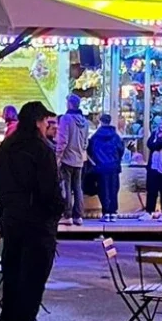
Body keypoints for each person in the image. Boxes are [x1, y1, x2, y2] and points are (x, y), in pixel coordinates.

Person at [0, 101, 64, 321]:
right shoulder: (41, 150)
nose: (47, 127)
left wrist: (10, 205)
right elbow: (49, 190)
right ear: (37, 122)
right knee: (31, 281)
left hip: (11, 222)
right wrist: (56, 210)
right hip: (37, 225)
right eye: (46, 122)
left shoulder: (5, 147)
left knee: (12, 277)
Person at [54, 94, 91, 226]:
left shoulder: (66, 119)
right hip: (80, 159)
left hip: (67, 159)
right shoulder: (85, 122)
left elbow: (62, 140)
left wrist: (58, 156)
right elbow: (86, 143)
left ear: (69, 104)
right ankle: (78, 216)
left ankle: (68, 214)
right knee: (78, 187)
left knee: (67, 187)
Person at [87, 113, 125, 221]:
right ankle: (113, 212)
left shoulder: (95, 137)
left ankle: (106, 212)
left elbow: (90, 150)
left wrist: (95, 162)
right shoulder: (116, 136)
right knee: (113, 189)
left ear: (100, 121)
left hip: (100, 166)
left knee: (103, 190)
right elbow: (121, 149)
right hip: (113, 166)